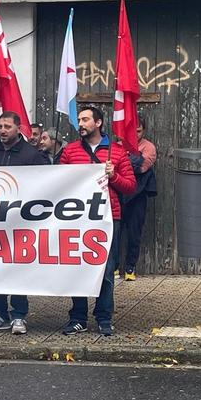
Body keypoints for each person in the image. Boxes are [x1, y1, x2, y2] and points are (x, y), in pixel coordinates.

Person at [60, 105, 135, 337]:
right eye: (79, 120)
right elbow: (58, 182)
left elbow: (130, 186)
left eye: (85, 120)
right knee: (77, 267)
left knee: (106, 269)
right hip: (77, 217)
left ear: (99, 123)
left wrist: (114, 176)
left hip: (108, 217)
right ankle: (78, 317)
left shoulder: (117, 152)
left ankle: (104, 317)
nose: (81, 124)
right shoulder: (70, 151)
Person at [0, 111, 48, 335]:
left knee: (16, 269)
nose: (3, 130)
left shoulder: (31, 154)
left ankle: (18, 315)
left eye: (7, 126)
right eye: (0, 126)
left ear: (18, 128)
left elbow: (45, 182)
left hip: (20, 223)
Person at [121, 116, 157, 281]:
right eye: (132, 131)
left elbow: (142, 167)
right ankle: (114, 266)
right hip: (119, 192)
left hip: (138, 195)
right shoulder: (120, 144)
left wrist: (125, 162)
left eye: (139, 131)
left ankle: (130, 267)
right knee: (116, 231)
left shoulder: (149, 147)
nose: (135, 134)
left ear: (144, 130)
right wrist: (133, 161)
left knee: (134, 233)